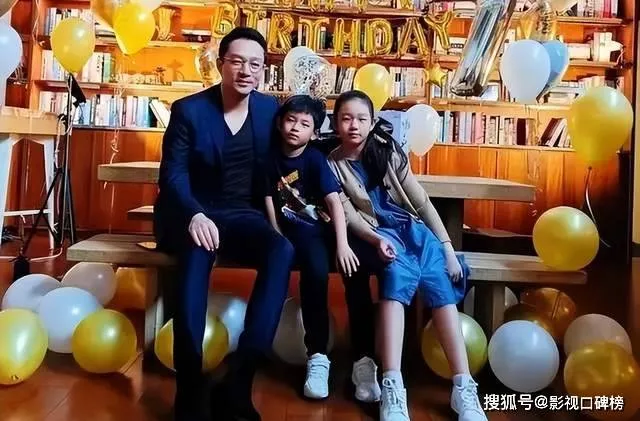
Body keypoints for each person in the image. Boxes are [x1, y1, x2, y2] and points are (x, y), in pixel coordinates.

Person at [154, 27, 294, 421]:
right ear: (220, 65)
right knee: (197, 255)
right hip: (192, 212)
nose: (246, 71)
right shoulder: (189, 110)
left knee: (281, 250)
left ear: (263, 70)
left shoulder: (269, 110)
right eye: (238, 61)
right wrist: (194, 214)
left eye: (256, 64)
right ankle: (189, 384)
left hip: (241, 214)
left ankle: (240, 379)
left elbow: (298, 148)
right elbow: (172, 175)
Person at [327, 90, 488, 421]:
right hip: (380, 234)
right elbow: (349, 215)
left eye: (361, 119)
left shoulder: (387, 152)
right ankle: (392, 385)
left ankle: (463, 387)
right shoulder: (332, 164)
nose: (354, 125)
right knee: (395, 278)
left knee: (441, 285)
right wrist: (375, 241)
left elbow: (421, 202)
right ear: (336, 123)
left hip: (414, 232)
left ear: (373, 122)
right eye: (346, 118)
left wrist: (447, 248)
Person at [264, 94, 360, 399]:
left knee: (316, 275)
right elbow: (268, 198)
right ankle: (263, 346)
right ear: (279, 123)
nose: (295, 128)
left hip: (316, 235)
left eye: (304, 124)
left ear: (315, 133)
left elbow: (335, 203)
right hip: (286, 235)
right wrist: (276, 233)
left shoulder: (315, 160)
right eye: (290, 120)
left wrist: (342, 245)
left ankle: (319, 356)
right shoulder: (268, 157)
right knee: (274, 274)